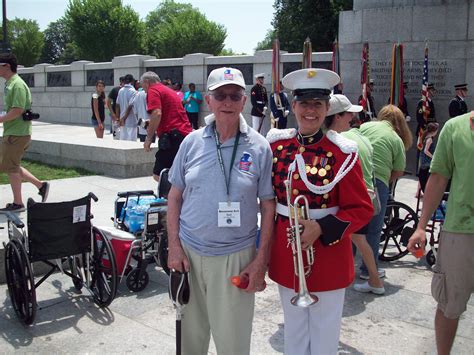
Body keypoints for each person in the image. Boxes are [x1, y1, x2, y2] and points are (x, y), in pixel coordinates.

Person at [167, 67, 275, 354]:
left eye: (234, 95)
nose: (227, 101)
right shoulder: (191, 142)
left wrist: (261, 259)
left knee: (233, 343)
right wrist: (174, 246)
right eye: (220, 95)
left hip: (235, 258)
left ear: (244, 101)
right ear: (209, 100)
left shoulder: (260, 146)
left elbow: (268, 205)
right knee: (190, 341)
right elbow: (174, 197)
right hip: (189, 254)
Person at [266, 68, 373, 354]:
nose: (310, 110)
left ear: (327, 108)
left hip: (328, 253)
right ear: (293, 106)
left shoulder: (342, 152)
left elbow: (362, 208)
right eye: (304, 103)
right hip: (287, 251)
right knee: (294, 330)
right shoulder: (277, 147)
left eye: (318, 104)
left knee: (325, 334)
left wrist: (323, 227)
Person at [408, 111, 474, 355]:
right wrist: (421, 226)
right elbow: (438, 178)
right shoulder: (456, 128)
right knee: (449, 303)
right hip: (461, 231)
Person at [325, 94, 385, 295]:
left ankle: (375, 280)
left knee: (358, 240)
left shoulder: (342, 142)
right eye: (348, 113)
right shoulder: (359, 138)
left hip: (354, 203)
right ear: (336, 116)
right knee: (358, 240)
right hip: (365, 198)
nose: (352, 117)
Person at [359, 105, 413, 280]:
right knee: (374, 229)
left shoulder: (365, 126)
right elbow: (399, 170)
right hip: (377, 182)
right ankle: (368, 270)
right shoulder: (396, 139)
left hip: (356, 176)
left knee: (351, 224)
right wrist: (384, 179)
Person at [0, 53, 49, 212]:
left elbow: (17, 110)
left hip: (17, 133)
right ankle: (41, 186)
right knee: (11, 165)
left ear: (6, 66)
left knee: (11, 168)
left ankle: (18, 204)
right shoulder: (10, 84)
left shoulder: (17, 85)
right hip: (14, 131)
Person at [139, 71, 192, 182]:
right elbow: (168, 114)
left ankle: (173, 198)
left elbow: (157, 113)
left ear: (147, 82)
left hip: (172, 137)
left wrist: (148, 138)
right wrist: (152, 122)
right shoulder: (168, 90)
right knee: (176, 172)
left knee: (159, 174)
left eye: (143, 86)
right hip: (183, 134)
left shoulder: (153, 90)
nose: (143, 89)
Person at [418, 122, 439, 192]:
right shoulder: (429, 139)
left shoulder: (425, 137)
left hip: (424, 162)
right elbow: (425, 151)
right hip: (427, 163)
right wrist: (433, 157)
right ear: (433, 131)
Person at [116, 74, 137, 141]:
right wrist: (124, 118)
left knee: (123, 140)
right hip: (130, 120)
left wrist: (118, 118)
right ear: (132, 81)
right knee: (132, 141)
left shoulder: (121, 90)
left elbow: (117, 105)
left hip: (122, 120)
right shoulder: (133, 91)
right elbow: (130, 106)